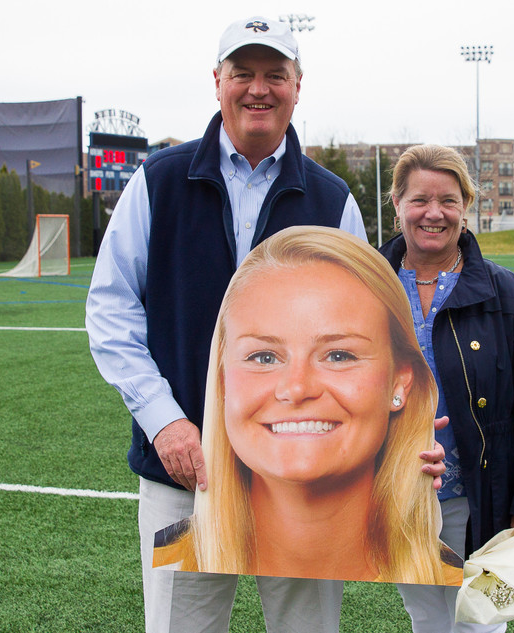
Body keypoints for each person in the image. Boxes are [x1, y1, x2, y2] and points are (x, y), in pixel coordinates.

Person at [85, 16, 444, 633]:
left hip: (307, 477)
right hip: (184, 470)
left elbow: (369, 338)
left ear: (297, 86)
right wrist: (166, 423)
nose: (259, 89)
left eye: (275, 75)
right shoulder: (157, 183)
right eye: (242, 73)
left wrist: (402, 438)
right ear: (217, 82)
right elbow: (111, 310)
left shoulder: (333, 202)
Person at [152, 226, 464, 586]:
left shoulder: (447, 580)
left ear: (400, 382)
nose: (296, 388)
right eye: (264, 356)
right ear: (222, 380)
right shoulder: (172, 558)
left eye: (338, 354)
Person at [379, 145, 514, 633]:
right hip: (396, 493)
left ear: (467, 205)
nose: (433, 213)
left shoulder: (507, 294)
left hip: (477, 496)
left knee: (481, 624)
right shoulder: (364, 287)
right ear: (396, 203)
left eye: (448, 200)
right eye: (419, 199)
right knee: (428, 620)